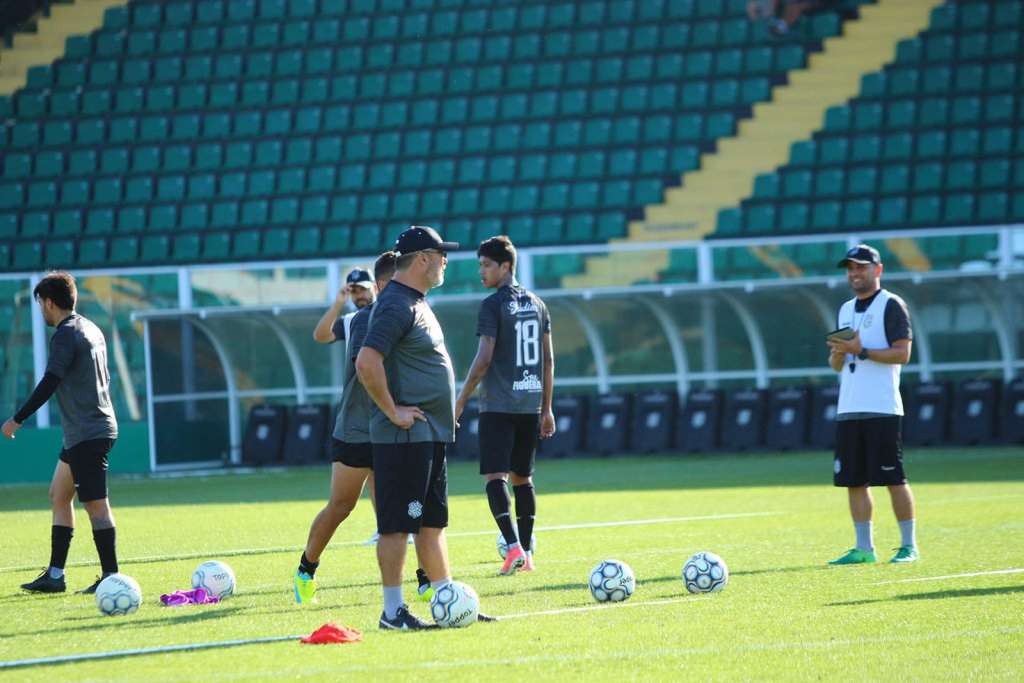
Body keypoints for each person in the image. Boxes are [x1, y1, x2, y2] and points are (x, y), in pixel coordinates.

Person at [355, 226, 468, 630]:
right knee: (397, 526)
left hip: (429, 434)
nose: (445, 261)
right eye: (441, 254)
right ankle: (392, 612)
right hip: (404, 437)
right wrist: (393, 411)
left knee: (432, 524)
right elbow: (367, 363)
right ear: (421, 258)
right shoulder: (395, 304)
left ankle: (448, 601)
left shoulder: (416, 301)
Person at [3, 272, 121, 594]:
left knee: (96, 505)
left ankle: (112, 578)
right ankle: (55, 575)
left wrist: (18, 418)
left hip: (88, 431)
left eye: (41, 303)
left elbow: (50, 381)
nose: (41, 310)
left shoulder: (65, 334)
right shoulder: (92, 328)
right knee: (59, 494)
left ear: (50, 302)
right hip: (84, 430)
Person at [293, 259, 396, 604]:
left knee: (391, 512)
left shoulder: (404, 315)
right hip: (355, 428)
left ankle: (419, 582)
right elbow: (321, 335)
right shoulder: (354, 321)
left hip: (390, 428)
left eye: (362, 289)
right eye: (354, 291)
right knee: (340, 506)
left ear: (376, 287)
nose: (359, 295)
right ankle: (306, 569)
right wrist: (338, 301)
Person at [454, 236, 555, 576]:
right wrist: (546, 409)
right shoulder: (539, 304)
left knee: (494, 476)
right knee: (523, 479)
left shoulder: (492, 305)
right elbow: (548, 361)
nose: (481, 272)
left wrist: (462, 396)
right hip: (529, 403)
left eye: (486, 265)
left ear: (506, 266)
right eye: (480, 265)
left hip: (498, 404)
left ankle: (513, 548)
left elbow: (483, 359)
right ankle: (526, 553)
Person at [826, 244, 918, 565]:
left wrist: (861, 349)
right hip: (849, 407)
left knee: (894, 478)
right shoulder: (845, 309)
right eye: (850, 268)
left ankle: (909, 546)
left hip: (882, 407)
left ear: (877, 270)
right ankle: (864, 549)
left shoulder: (891, 305)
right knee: (853, 480)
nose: (854, 273)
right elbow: (837, 366)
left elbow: (902, 354)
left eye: (861, 267)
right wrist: (838, 354)